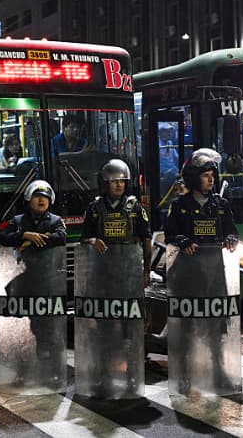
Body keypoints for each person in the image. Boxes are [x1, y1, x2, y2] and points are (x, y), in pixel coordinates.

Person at [164, 148, 240, 395]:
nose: (211, 180)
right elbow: (170, 234)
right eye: (206, 175)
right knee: (187, 326)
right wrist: (183, 240)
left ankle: (218, 371)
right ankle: (184, 374)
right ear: (195, 178)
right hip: (187, 275)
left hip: (214, 273)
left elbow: (232, 230)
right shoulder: (180, 205)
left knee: (216, 327)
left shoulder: (221, 204)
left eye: (212, 176)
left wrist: (230, 237)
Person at [78, 159, 152, 396]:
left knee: (131, 329)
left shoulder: (135, 207)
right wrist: (92, 240)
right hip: (103, 279)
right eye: (113, 182)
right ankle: (103, 374)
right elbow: (84, 237)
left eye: (122, 181)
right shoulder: (95, 208)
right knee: (105, 329)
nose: (118, 185)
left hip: (129, 277)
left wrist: (146, 271)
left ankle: (133, 375)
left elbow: (146, 240)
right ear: (105, 184)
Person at [0, 179, 67, 388]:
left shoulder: (55, 221)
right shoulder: (18, 220)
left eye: (45, 197)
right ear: (29, 199)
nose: (41, 200)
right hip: (24, 283)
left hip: (48, 282)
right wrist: (23, 235)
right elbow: (2, 236)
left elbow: (61, 237)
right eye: (37, 196)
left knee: (48, 330)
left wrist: (34, 239)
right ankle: (22, 372)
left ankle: (53, 373)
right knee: (21, 330)